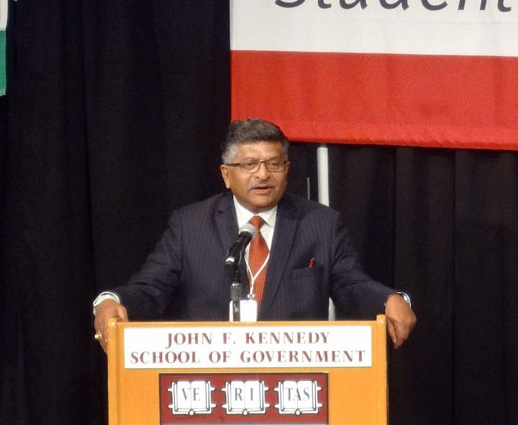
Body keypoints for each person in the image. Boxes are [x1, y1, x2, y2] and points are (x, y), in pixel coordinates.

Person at [93, 118, 416, 352]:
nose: (263, 174)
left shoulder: (320, 224)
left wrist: (388, 299)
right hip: (211, 374)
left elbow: (350, 285)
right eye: (249, 164)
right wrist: (112, 301)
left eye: (273, 164)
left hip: (297, 375)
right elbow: (152, 288)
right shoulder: (190, 225)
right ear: (226, 174)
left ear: (286, 170)